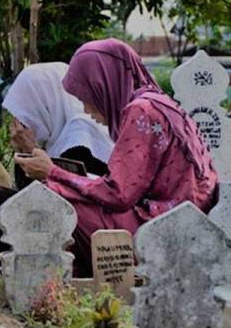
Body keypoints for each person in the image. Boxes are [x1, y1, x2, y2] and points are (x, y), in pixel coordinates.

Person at [15, 39, 219, 277]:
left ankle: (66, 284)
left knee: (55, 200)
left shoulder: (141, 110)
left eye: (87, 98)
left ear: (104, 85)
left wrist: (52, 172)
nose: (87, 110)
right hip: (185, 225)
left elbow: (118, 194)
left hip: (161, 233)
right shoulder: (159, 102)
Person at [0, 62, 114, 276]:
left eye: (26, 112)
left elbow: (67, 194)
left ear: (45, 103)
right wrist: (27, 151)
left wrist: (31, 149)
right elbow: (29, 191)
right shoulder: (58, 134)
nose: (21, 123)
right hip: (60, 220)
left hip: (84, 230)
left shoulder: (82, 133)